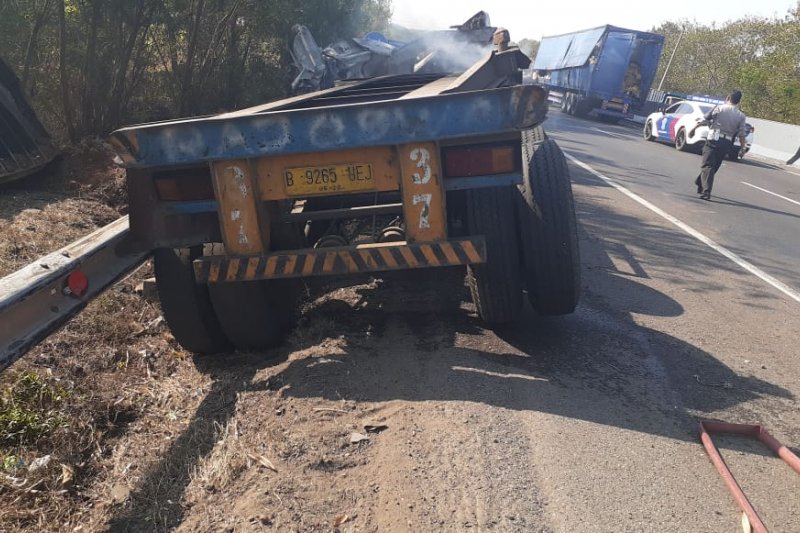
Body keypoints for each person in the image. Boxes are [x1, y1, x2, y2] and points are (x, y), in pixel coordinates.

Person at [691, 91, 747, 200]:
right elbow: (741, 134)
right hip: (726, 143)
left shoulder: (719, 108)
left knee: (708, 165)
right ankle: (700, 182)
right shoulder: (741, 115)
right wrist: (743, 147)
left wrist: (693, 129)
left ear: (728, 97)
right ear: (739, 101)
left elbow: (705, 119)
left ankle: (706, 191)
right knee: (714, 166)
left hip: (713, 139)